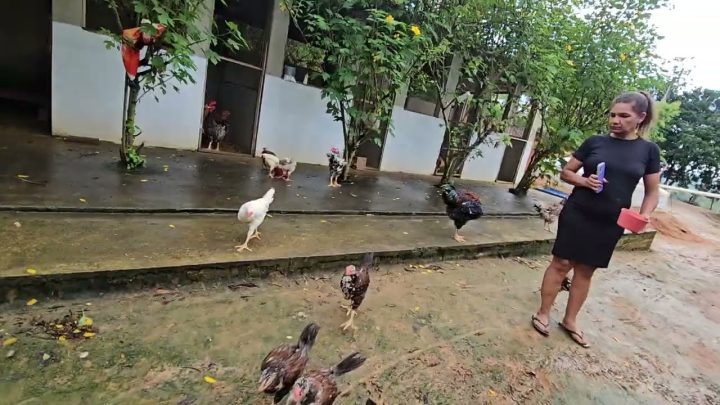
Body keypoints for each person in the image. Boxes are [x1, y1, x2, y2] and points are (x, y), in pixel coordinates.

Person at [531, 91, 662, 348]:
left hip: (611, 220)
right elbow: (566, 173)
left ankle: (570, 320)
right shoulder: (595, 142)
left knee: (586, 270)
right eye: (612, 115)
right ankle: (543, 313)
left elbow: (652, 191)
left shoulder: (649, 151)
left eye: (624, 116)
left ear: (641, 117)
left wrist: (645, 214)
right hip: (578, 211)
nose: (615, 120)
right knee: (561, 263)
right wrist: (584, 181)